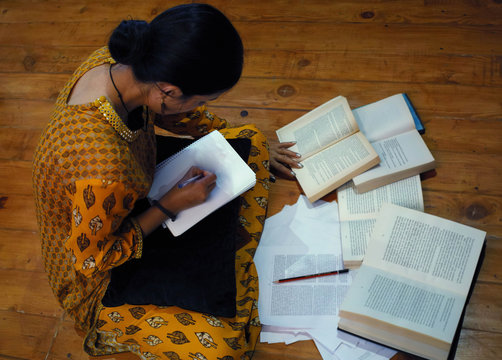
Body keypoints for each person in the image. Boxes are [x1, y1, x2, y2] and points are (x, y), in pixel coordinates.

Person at [32, 3, 301, 359]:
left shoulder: (125, 60)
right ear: (169, 91)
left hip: (130, 182)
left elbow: (180, 117)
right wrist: (169, 205)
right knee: (226, 346)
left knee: (250, 141)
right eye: (202, 99)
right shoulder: (104, 169)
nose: (201, 108)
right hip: (96, 271)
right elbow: (94, 259)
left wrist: (252, 146)